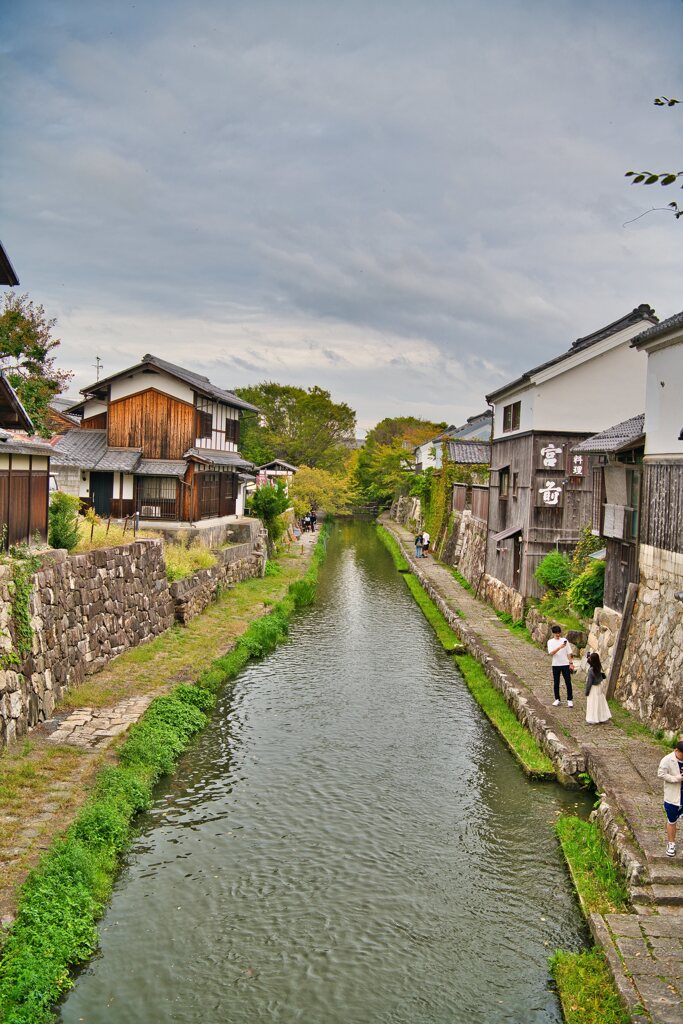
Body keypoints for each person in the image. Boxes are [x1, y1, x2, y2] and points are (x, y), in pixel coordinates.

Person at [657, 740, 683, 857]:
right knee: (672, 820)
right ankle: (671, 843)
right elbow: (661, 774)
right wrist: (676, 778)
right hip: (673, 796)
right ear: (676, 750)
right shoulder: (667, 760)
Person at [547, 624, 574, 707]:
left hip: (565, 664)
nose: (558, 635)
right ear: (553, 633)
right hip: (555, 664)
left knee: (568, 682)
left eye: (559, 633)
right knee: (556, 682)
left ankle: (569, 699)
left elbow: (569, 652)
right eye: (556, 633)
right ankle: (557, 699)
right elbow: (551, 653)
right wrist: (560, 647)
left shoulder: (565, 640)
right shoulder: (550, 642)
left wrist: (571, 663)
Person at [585, 652, 611, 724]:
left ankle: (592, 718)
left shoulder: (591, 670)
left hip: (593, 688)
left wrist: (587, 691)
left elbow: (589, 682)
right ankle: (601, 717)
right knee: (599, 702)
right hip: (599, 687)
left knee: (592, 703)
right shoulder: (599, 666)